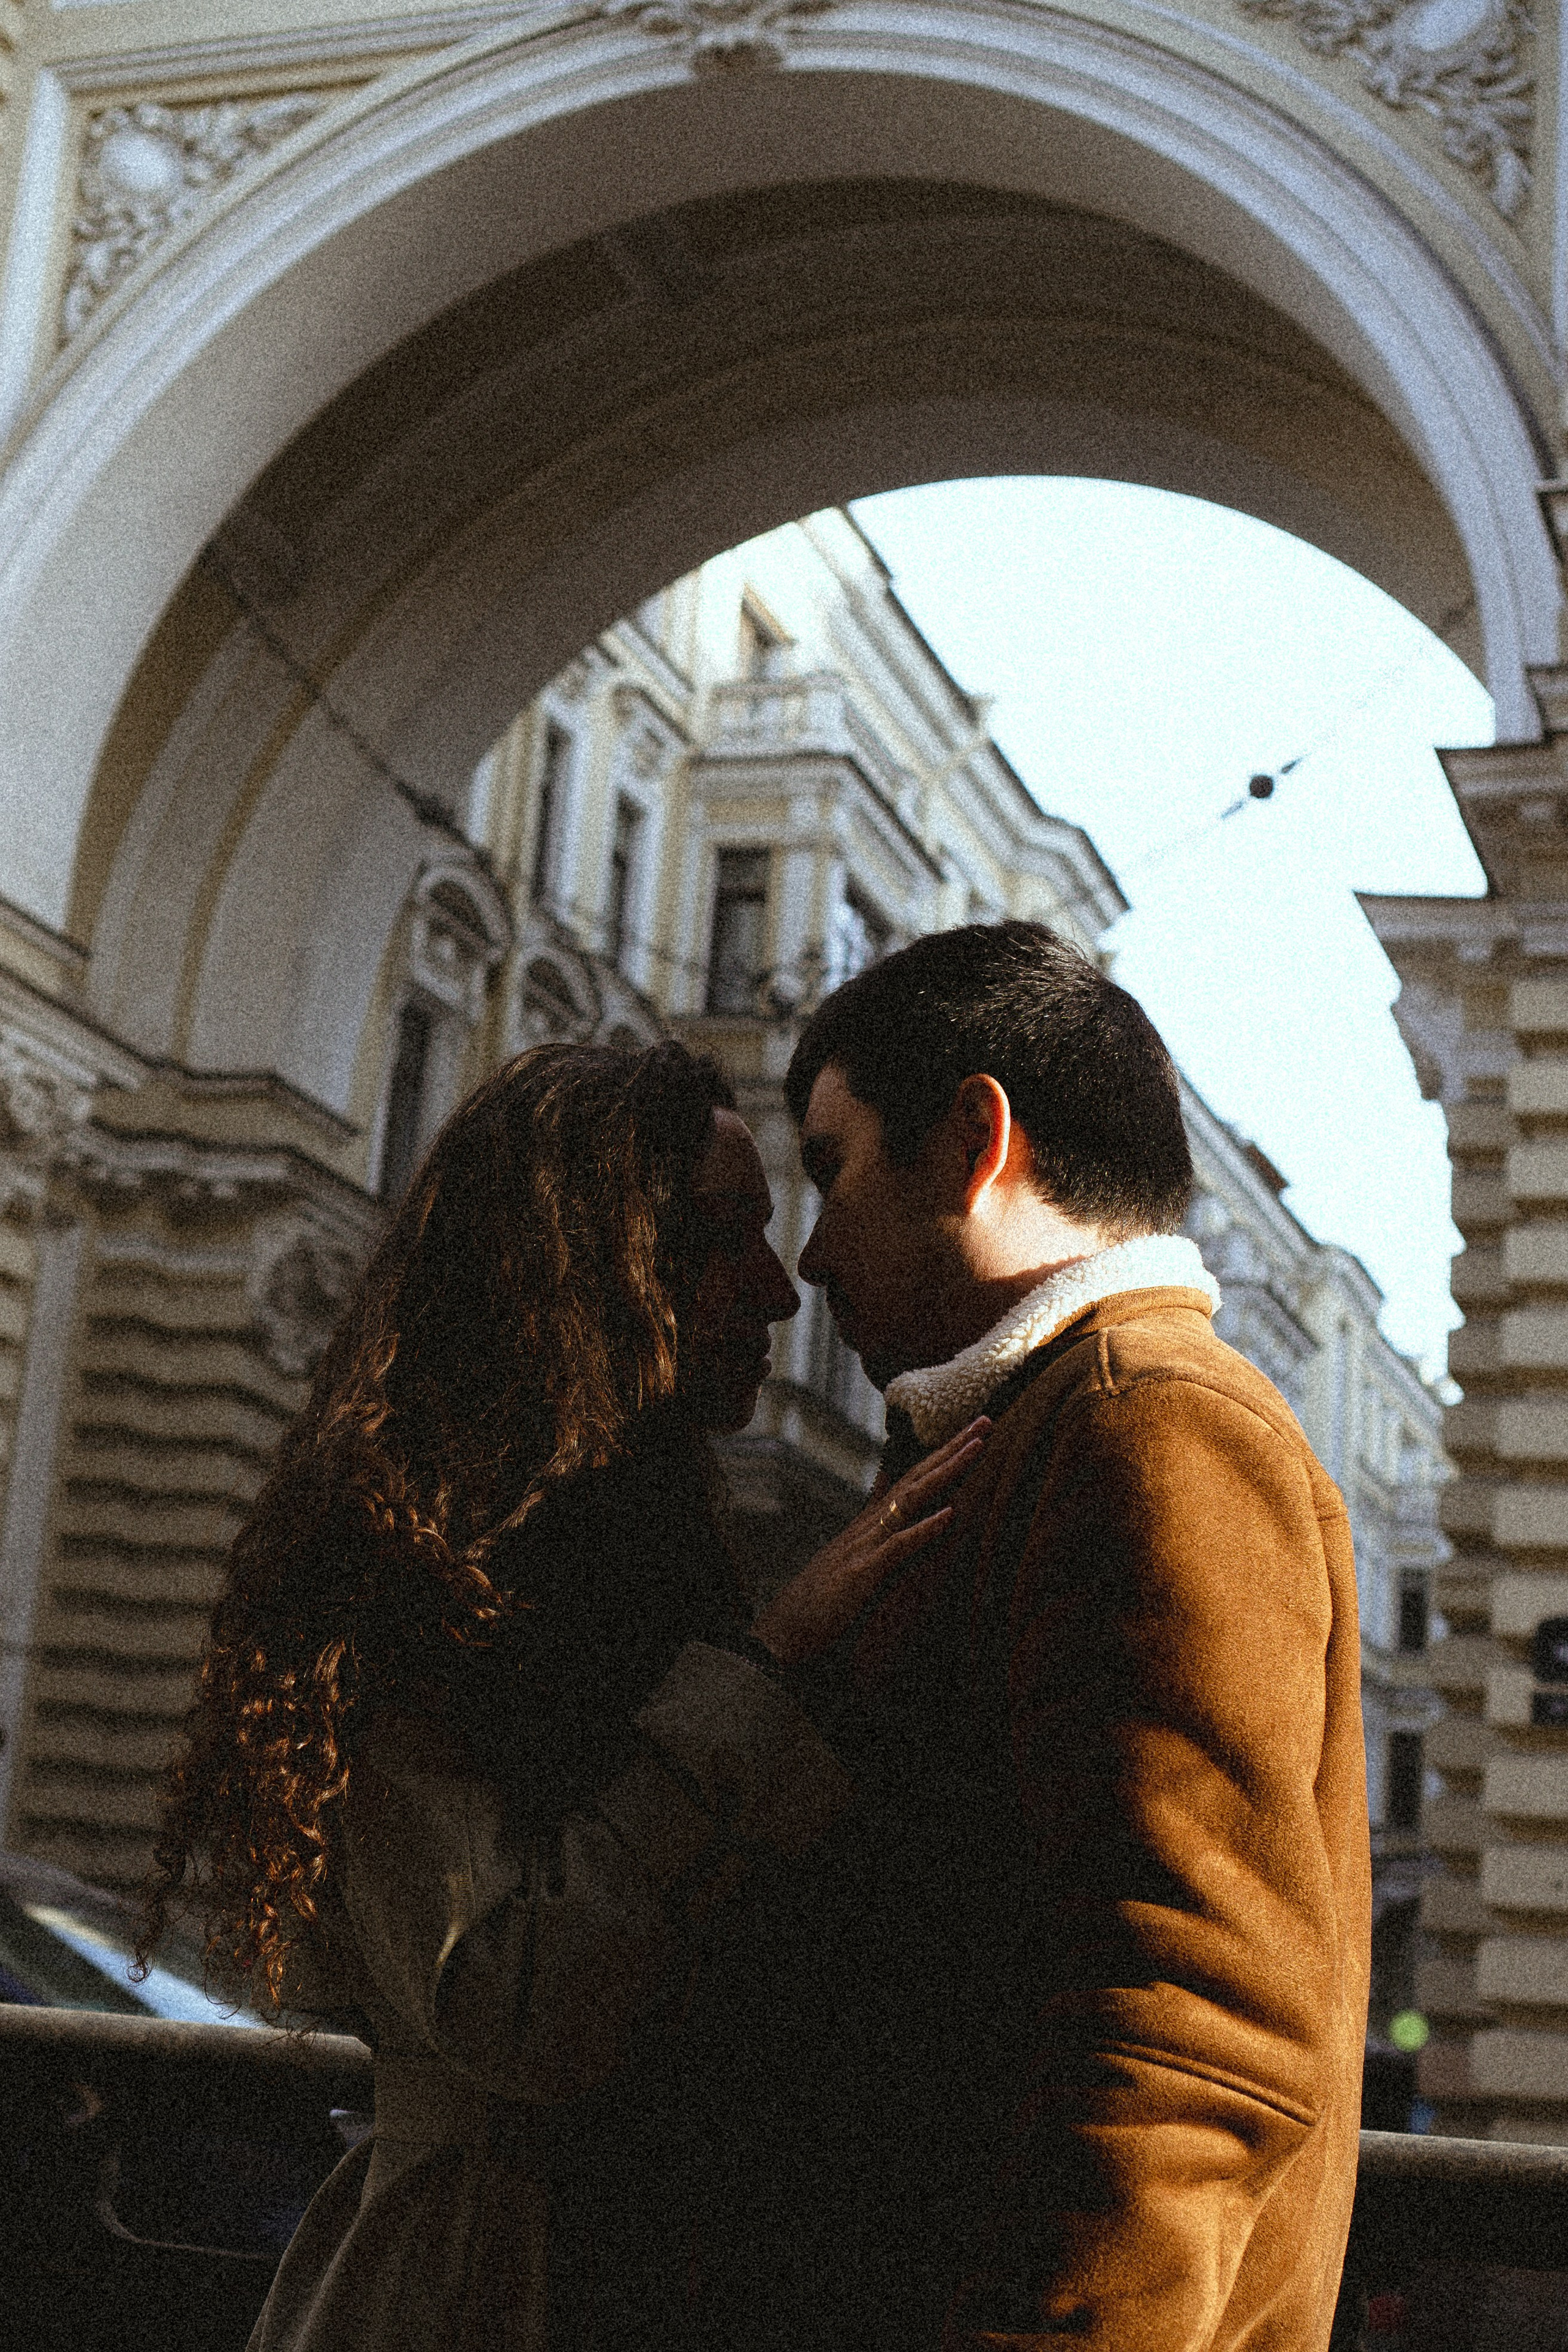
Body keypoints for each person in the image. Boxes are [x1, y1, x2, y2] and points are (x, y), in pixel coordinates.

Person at [137, 1039, 986, 2352]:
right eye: (717, 1243)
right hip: (478, 2284)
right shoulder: (404, 1570)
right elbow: (513, 2005)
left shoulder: (634, 1553)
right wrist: (767, 1669)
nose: (775, 1291)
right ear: (581, 1271)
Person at [703, 919, 1370, 2351]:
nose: (808, 1253)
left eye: (830, 1168)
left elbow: (1187, 2036)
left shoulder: (1147, 1426)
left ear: (970, 1141)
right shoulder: (1049, 1424)